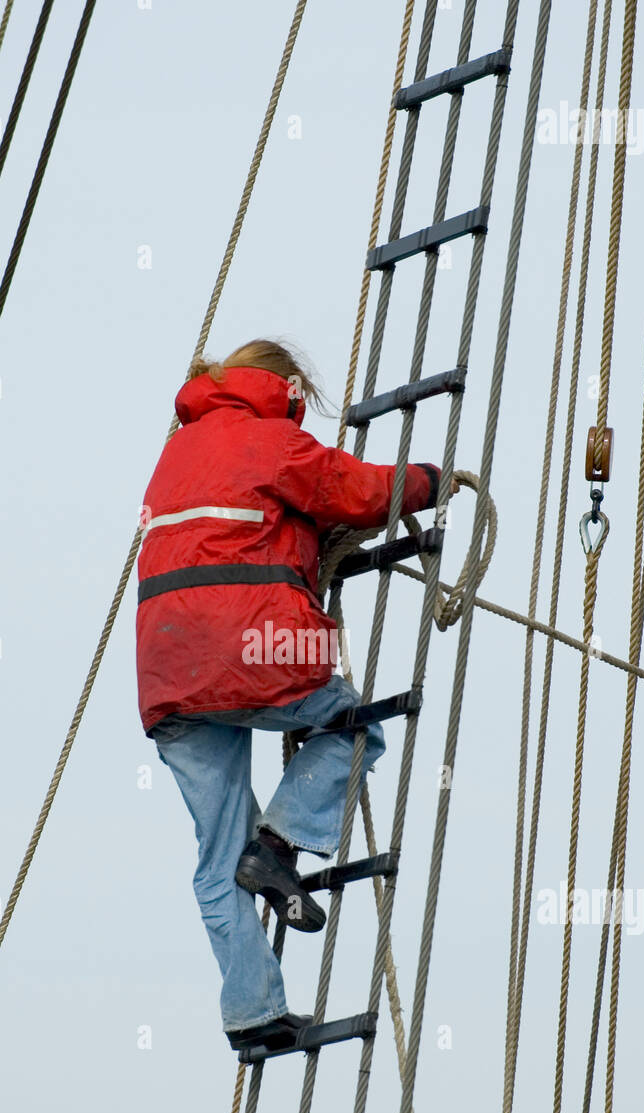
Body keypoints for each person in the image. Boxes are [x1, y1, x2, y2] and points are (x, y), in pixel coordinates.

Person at [136, 338, 452, 1052]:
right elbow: (361, 492)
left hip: (168, 674)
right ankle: (278, 845)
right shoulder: (273, 441)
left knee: (216, 859)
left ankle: (253, 1017)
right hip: (254, 652)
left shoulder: (174, 454)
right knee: (357, 727)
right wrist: (433, 481)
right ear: (279, 388)